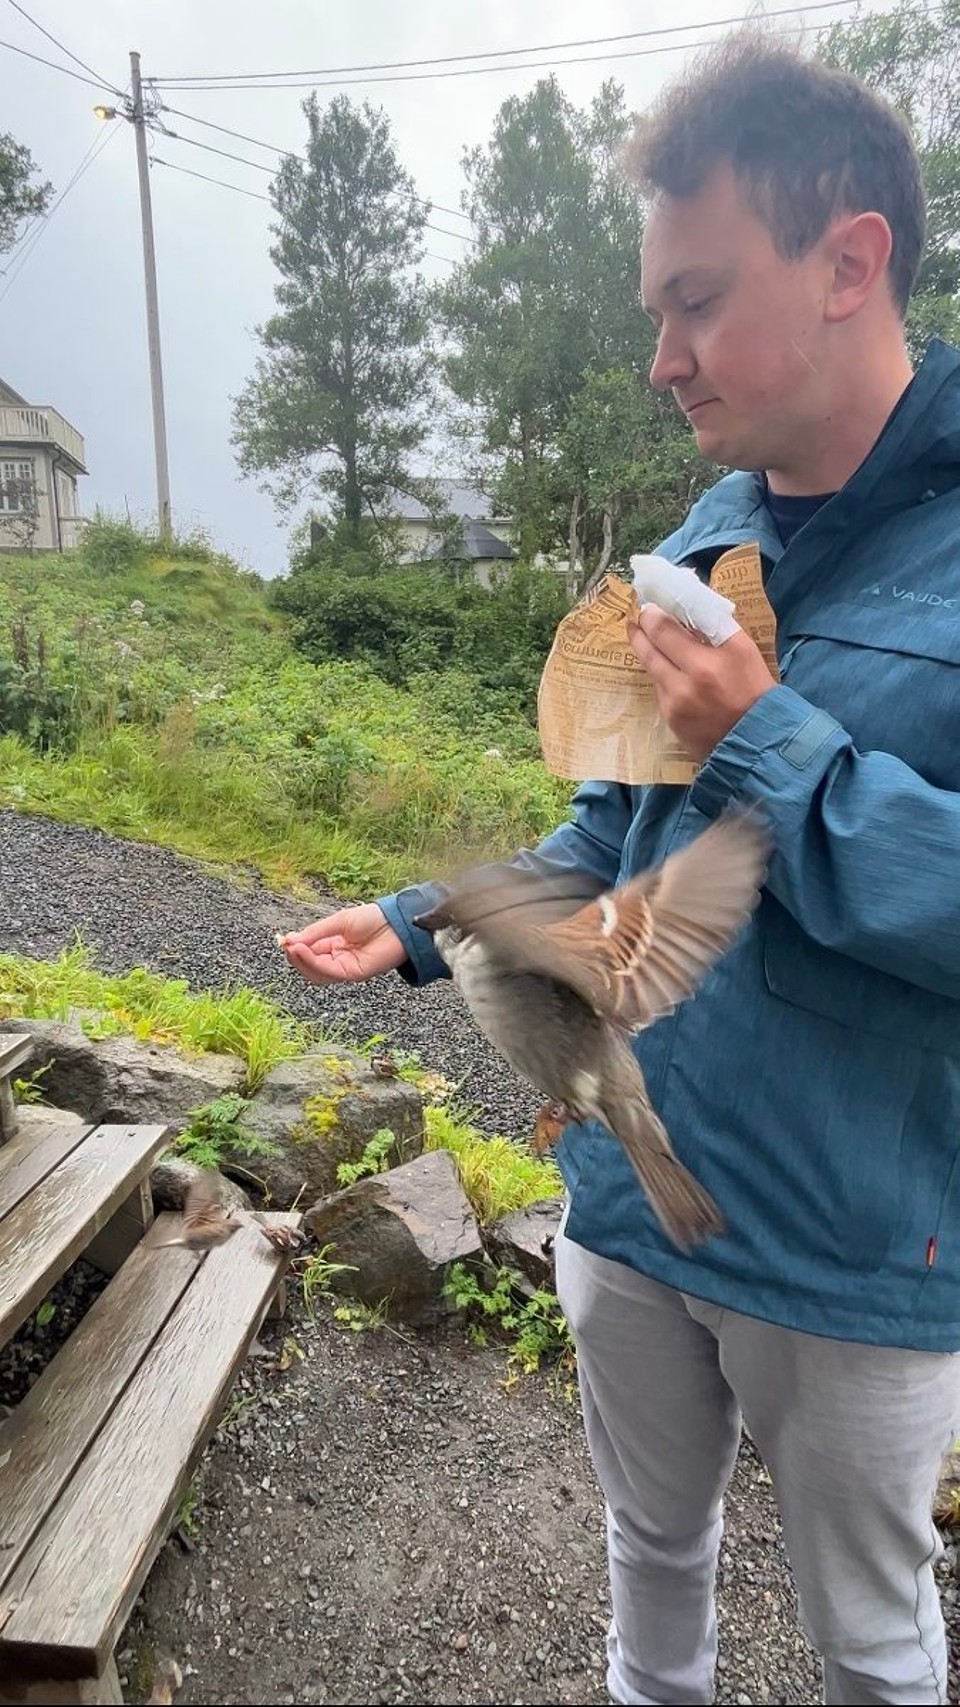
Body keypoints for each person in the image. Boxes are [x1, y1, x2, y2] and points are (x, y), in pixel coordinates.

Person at [281, 34, 960, 1707]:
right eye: (655, 309)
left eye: (697, 298)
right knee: (648, 1575)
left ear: (850, 263)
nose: (660, 356)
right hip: (628, 1194)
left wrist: (769, 729)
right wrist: (434, 913)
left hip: (847, 1240)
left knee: (872, 1647)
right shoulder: (710, 531)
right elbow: (619, 829)